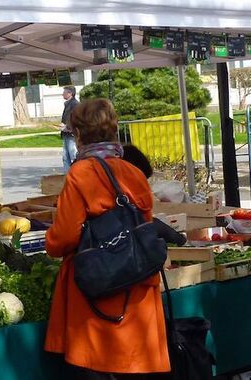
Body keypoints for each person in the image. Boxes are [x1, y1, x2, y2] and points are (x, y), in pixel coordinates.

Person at [45, 99, 169, 379]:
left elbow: (63, 236)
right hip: (137, 289)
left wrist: (49, 241)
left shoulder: (80, 174)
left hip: (98, 294)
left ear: (78, 135)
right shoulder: (133, 172)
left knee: (99, 367)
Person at [60, 86, 80, 172]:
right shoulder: (68, 104)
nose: (62, 94)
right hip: (66, 134)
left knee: (73, 155)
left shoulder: (75, 104)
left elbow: (77, 119)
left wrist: (68, 127)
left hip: (71, 135)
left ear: (70, 93)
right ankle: (67, 175)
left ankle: (76, 173)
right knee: (65, 157)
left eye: (64, 92)